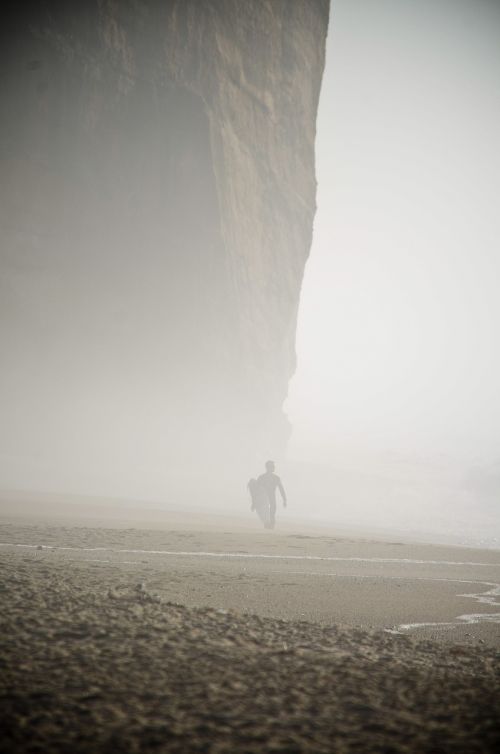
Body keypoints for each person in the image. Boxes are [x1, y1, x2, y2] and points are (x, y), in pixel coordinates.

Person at [256, 460, 287, 529]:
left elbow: (281, 489)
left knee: (272, 515)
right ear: (268, 467)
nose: (274, 467)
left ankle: (270, 530)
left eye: (274, 466)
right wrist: (254, 502)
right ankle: (268, 530)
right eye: (272, 466)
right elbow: (256, 490)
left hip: (271, 499)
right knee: (267, 516)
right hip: (264, 500)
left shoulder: (276, 478)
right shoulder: (261, 477)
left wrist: (284, 499)